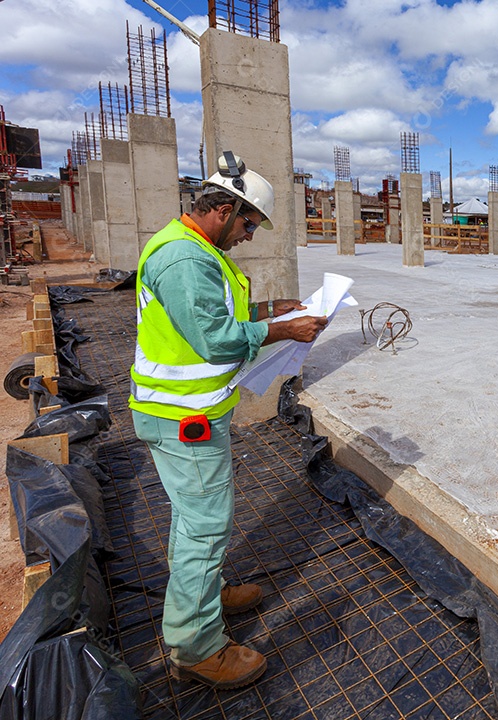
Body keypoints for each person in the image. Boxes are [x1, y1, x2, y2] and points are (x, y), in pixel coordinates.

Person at [128, 152, 327, 689]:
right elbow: (214, 339)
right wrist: (282, 332)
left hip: (185, 412)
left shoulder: (194, 249)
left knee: (193, 518)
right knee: (205, 526)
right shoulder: (185, 259)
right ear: (223, 211)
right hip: (182, 417)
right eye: (248, 224)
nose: (249, 236)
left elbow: (215, 315)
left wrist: (270, 310)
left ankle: (206, 591)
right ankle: (195, 646)